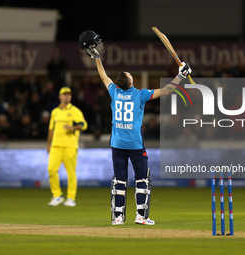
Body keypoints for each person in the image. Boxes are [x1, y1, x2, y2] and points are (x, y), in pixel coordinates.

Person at [79, 30, 192, 225]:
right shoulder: (139, 95)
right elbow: (166, 91)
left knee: (120, 181)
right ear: (130, 82)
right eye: (131, 75)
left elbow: (104, 76)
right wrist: (180, 76)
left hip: (117, 144)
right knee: (142, 180)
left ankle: (118, 217)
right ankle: (141, 216)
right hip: (135, 145)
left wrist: (97, 58)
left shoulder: (114, 92)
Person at [46, 87, 88, 207]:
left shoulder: (75, 111)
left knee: (71, 173)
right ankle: (57, 195)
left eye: (69, 94)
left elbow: (84, 125)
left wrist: (73, 128)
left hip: (70, 146)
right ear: (60, 96)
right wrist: (48, 144)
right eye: (65, 94)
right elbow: (51, 129)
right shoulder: (55, 112)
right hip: (56, 146)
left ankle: (71, 198)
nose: (67, 96)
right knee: (51, 170)